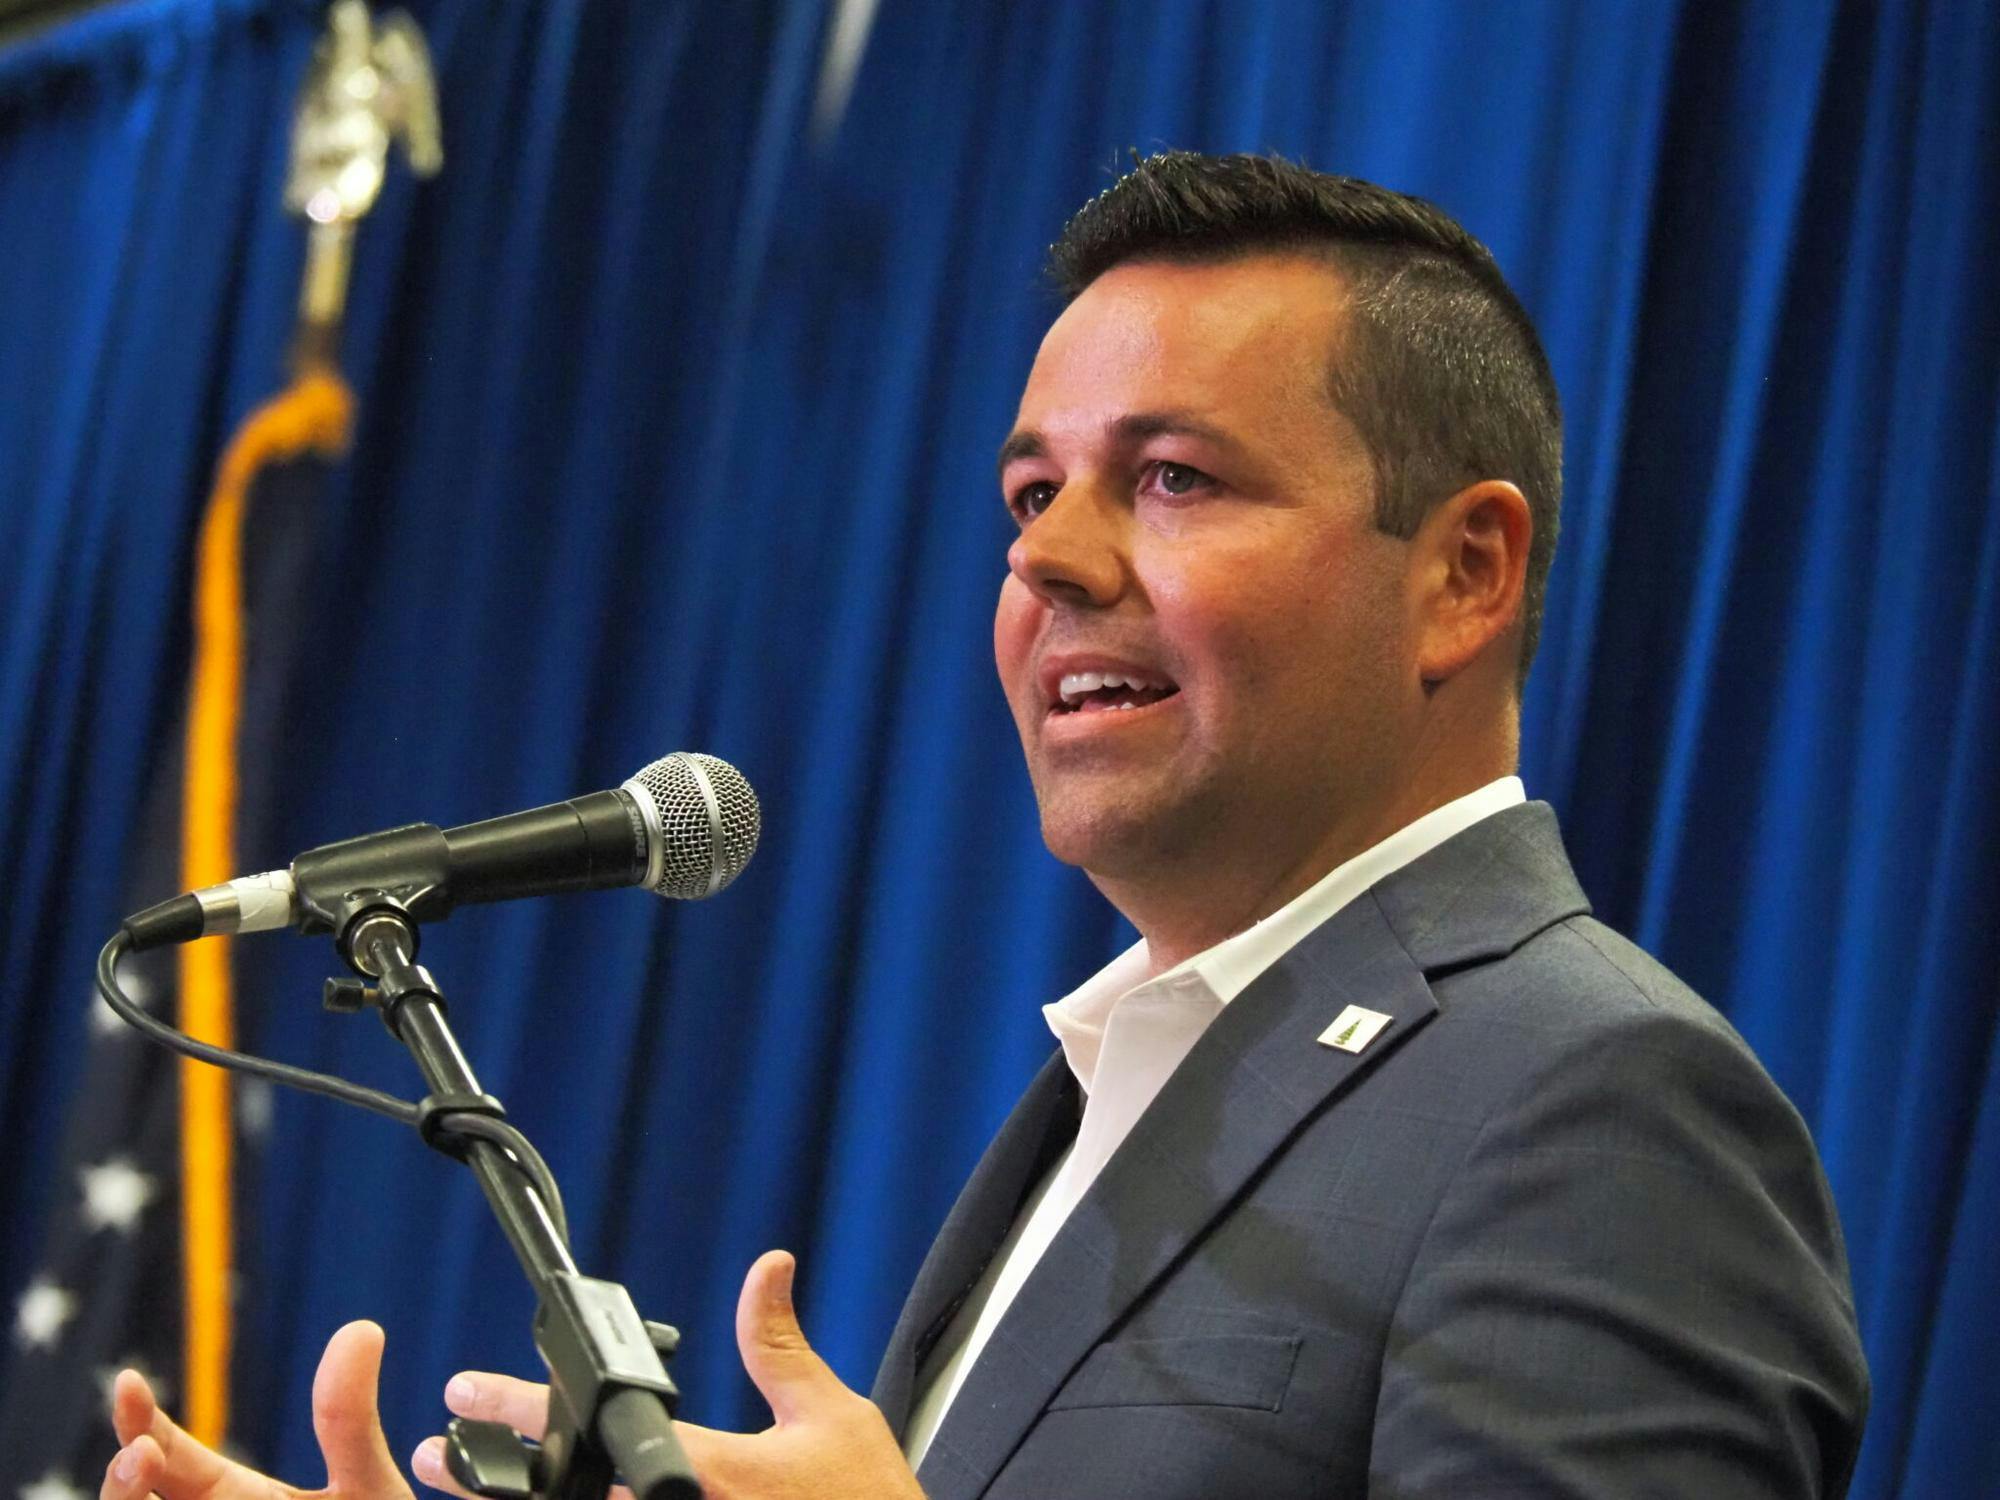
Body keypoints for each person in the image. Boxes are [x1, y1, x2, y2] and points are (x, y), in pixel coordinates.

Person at [99, 152, 1869, 1500]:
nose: (1049, 560)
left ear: (1464, 573)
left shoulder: (1601, 1106)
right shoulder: (1116, 1088)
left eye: (1172, 479)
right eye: (1033, 493)